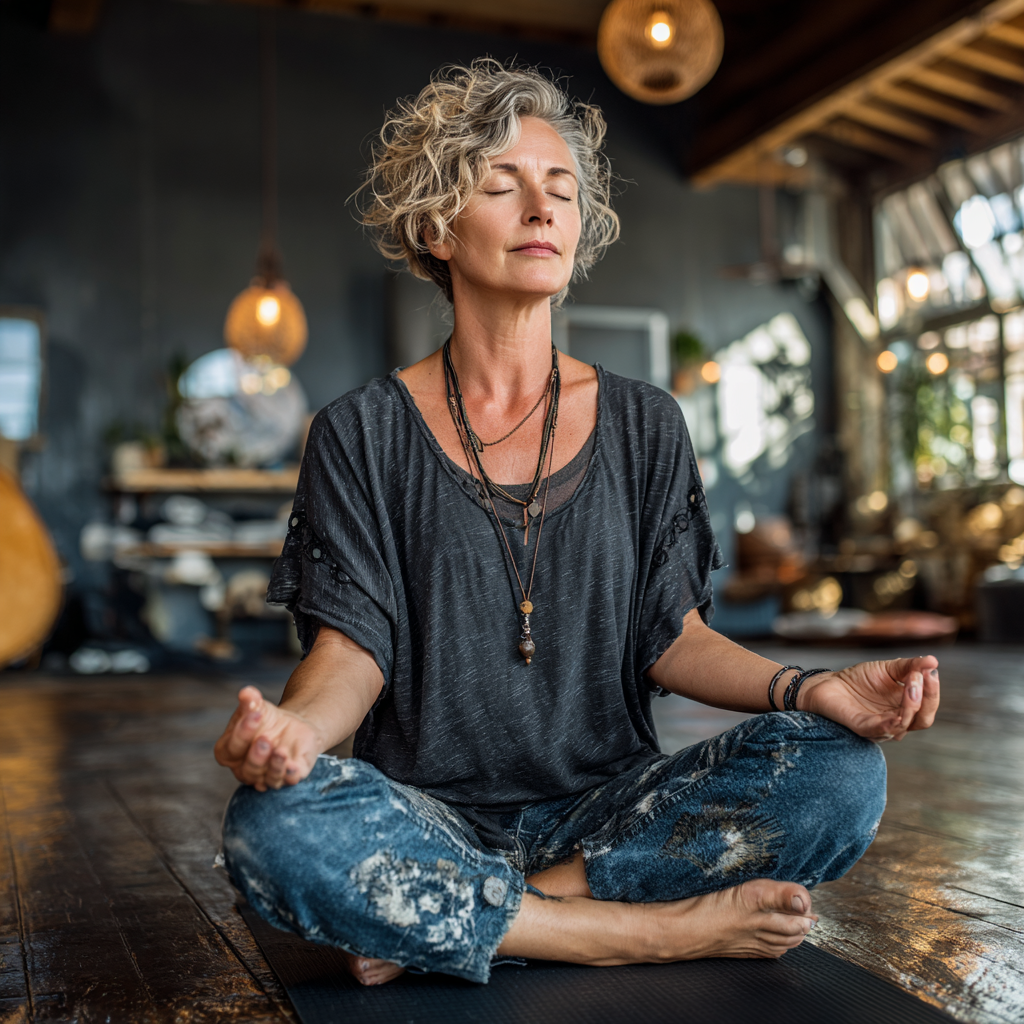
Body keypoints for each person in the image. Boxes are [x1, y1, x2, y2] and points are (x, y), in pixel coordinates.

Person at [215, 59, 940, 988]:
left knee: (843, 776)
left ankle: (476, 915)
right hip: (427, 811)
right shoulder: (359, 432)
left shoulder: (646, 423)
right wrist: (294, 737)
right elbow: (352, 650)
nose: (541, 210)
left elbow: (670, 638)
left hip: (612, 806)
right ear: (437, 223)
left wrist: (811, 690)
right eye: (500, 185)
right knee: (271, 826)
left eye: (560, 190)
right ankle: (644, 931)